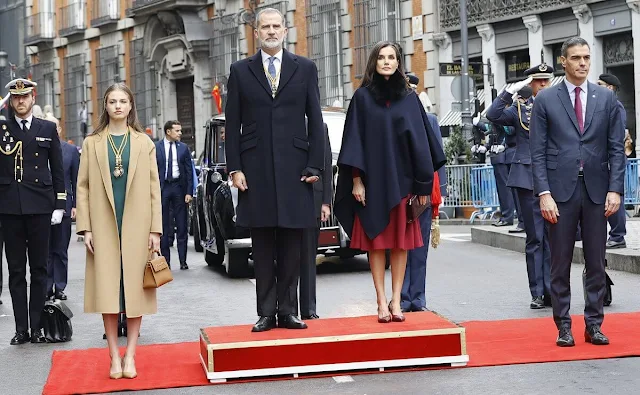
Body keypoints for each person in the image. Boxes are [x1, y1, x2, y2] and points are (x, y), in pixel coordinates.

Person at [225, 8, 324, 332]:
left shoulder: (305, 69)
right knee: (264, 242)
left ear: (285, 31)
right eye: (265, 27)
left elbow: (316, 121)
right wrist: (235, 168)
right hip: (256, 172)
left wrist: (314, 165)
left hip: (296, 168)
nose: (270, 31)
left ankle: (289, 311)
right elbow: (233, 122)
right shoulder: (240, 71)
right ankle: (266, 312)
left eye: (275, 26)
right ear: (256, 32)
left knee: (292, 244)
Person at [334, 41, 445, 323]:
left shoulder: (409, 97)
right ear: (375, 62)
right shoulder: (362, 98)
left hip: (402, 182)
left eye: (391, 57)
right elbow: (354, 140)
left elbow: (421, 143)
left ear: (398, 63)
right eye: (381, 57)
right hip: (371, 183)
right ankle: (381, 302)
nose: (386, 62)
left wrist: (421, 187)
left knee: (399, 244)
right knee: (376, 243)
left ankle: (397, 302)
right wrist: (356, 181)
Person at [530, 37, 625, 347]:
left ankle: (594, 324)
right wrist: (543, 192)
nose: (583, 63)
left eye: (586, 57)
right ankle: (564, 326)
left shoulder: (605, 99)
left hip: (598, 190)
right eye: (576, 58)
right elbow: (538, 151)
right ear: (564, 61)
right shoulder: (546, 99)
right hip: (559, 192)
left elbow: (615, 148)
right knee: (560, 261)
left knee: (597, 261)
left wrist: (616, 189)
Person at [76, 82, 162, 378]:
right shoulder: (92, 143)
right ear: (106, 106)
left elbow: (154, 189)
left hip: (137, 226)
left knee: (135, 293)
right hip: (103, 226)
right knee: (108, 293)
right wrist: (85, 228)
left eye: (123, 101)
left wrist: (156, 230)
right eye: (112, 101)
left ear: (130, 106)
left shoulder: (143, 142)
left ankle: (131, 355)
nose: (117, 106)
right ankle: (113, 355)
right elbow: (83, 187)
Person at [0, 79, 66, 345]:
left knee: (39, 269)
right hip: (9, 207)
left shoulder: (47, 129)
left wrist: (60, 204)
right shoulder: (1, 129)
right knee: (16, 271)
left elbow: (58, 170)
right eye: (15, 98)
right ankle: (21, 329)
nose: (20, 101)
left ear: (32, 97)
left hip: (40, 206)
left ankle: (37, 328)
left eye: (24, 96)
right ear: (10, 101)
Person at [486, 65, 553, 309]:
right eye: (538, 81)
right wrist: (507, 92)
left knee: (555, 238)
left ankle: (553, 289)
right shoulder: (519, 109)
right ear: (531, 84)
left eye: (546, 80)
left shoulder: (561, 103)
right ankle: (538, 291)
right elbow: (492, 115)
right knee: (535, 238)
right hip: (528, 178)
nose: (543, 85)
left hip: (556, 177)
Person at [401, 107, 447, 313]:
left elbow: (439, 157)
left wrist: (442, 189)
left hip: (423, 193)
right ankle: (401, 296)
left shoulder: (429, 120)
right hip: (400, 192)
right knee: (400, 248)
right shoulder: (394, 116)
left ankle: (418, 297)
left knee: (419, 249)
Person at [299, 123, 332, 320]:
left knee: (309, 257)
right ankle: (288, 309)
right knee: (287, 257)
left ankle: (309, 309)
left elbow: (326, 166)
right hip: (289, 199)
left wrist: (326, 202)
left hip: (314, 199)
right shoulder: (284, 120)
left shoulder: (320, 127)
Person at [45, 114, 80, 301]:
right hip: (42, 205)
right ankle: (46, 286)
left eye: (55, 127)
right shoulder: (38, 148)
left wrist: (75, 205)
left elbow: (76, 180)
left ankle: (59, 286)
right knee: (44, 250)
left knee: (60, 249)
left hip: (64, 205)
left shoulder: (71, 150)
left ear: (59, 129)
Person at [156, 120, 193, 270]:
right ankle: (166, 261)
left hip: (179, 188)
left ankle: (183, 260)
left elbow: (189, 171)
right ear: (168, 132)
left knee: (182, 224)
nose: (180, 133)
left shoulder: (184, 148)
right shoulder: (156, 147)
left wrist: (189, 192)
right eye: (177, 131)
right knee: (164, 225)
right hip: (163, 188)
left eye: (180, 130)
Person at [596, 73, 627, 249]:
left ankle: (618, 235)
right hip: (601, 158)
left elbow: (616, 135)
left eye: (599, 83)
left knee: (615, 197)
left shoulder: (616, 106)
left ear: (609, 87)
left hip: (612, 158)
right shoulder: (603, 106)